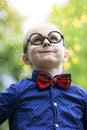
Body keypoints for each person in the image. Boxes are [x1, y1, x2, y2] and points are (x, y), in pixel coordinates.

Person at [0, 22, 87, 130]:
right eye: (36, 40)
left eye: (54, 38)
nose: (46, 42)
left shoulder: (83, 96)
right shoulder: (16, 92)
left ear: (65, 55)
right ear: (26, 59)